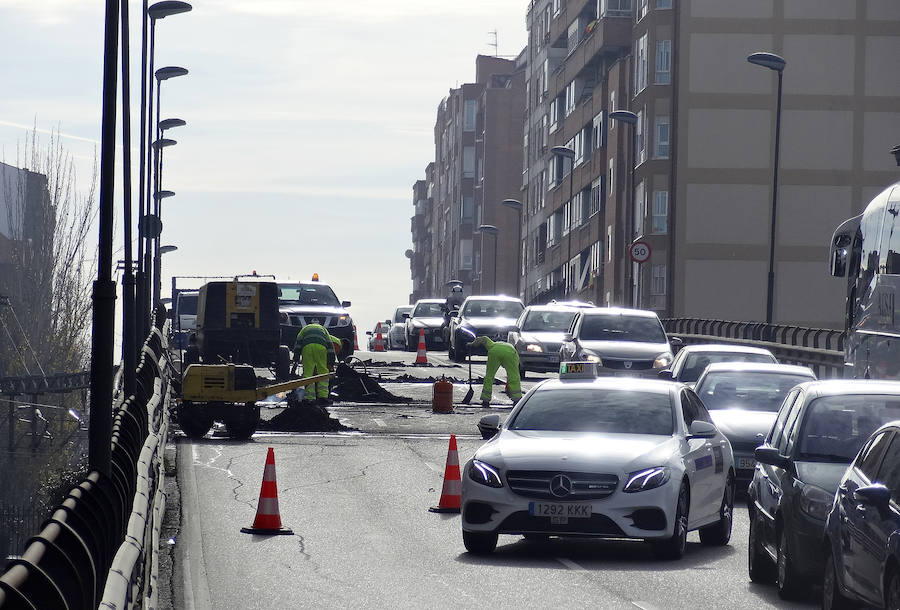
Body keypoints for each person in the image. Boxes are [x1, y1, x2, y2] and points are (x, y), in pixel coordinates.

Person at [469, 336, 522, 407]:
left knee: (489, 376)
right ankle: (517, 399)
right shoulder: (513, 352)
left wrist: (472, 344)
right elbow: (514, 371)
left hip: (494, 353)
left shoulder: (492, 345)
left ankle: (485, 400)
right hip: (509, 353)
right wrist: (509, 388)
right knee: (513, 376)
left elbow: (483, 339)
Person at [293, 323, 336, 404]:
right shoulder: (324, 330)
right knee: (323, 372)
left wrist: (296, 357)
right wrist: (331, 361)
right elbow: (330, 346)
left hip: (307, 348)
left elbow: (298, 345)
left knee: (308, 373)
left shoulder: (303, 330)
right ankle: (323, 397)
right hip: (321, 348)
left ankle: (310, 397)